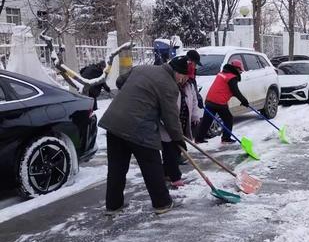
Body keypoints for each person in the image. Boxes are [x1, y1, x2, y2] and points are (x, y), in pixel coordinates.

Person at [99, 59, 188, 216]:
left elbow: (120, 81)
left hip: (114, 122)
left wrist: (138, 95)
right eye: (183, 76)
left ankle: (113, 206)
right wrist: (178, 138)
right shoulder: (169, 86)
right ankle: (162, 204)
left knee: (116, 168)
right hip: (139, 127)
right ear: (177, 72)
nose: (182, 80)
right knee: (151, 166)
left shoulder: (141, 68)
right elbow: (171, 118)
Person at [159, 56, 202, 188]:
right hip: (168, 123)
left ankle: (165, 172)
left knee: (177, 149)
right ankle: (175, 177)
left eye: (189, 76)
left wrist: (195, 117)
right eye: (185, 76)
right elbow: (166, 108)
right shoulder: (170, 85)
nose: (187, 78)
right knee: (170, 149)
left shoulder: (189, 85)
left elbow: (193, 101)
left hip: (182, 121)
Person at [195, 59, 249, 144]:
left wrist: (241, 99)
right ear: (237, 69)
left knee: (207, 120)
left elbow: (226, 89)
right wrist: (244, 101)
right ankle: (226, 138)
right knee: (228, 119)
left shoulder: (221, 74)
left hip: (209, 100)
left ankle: (199, 139)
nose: (241, 72)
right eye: (240, 70)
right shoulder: (232, 77)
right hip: (219, 103)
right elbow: (235, 91)